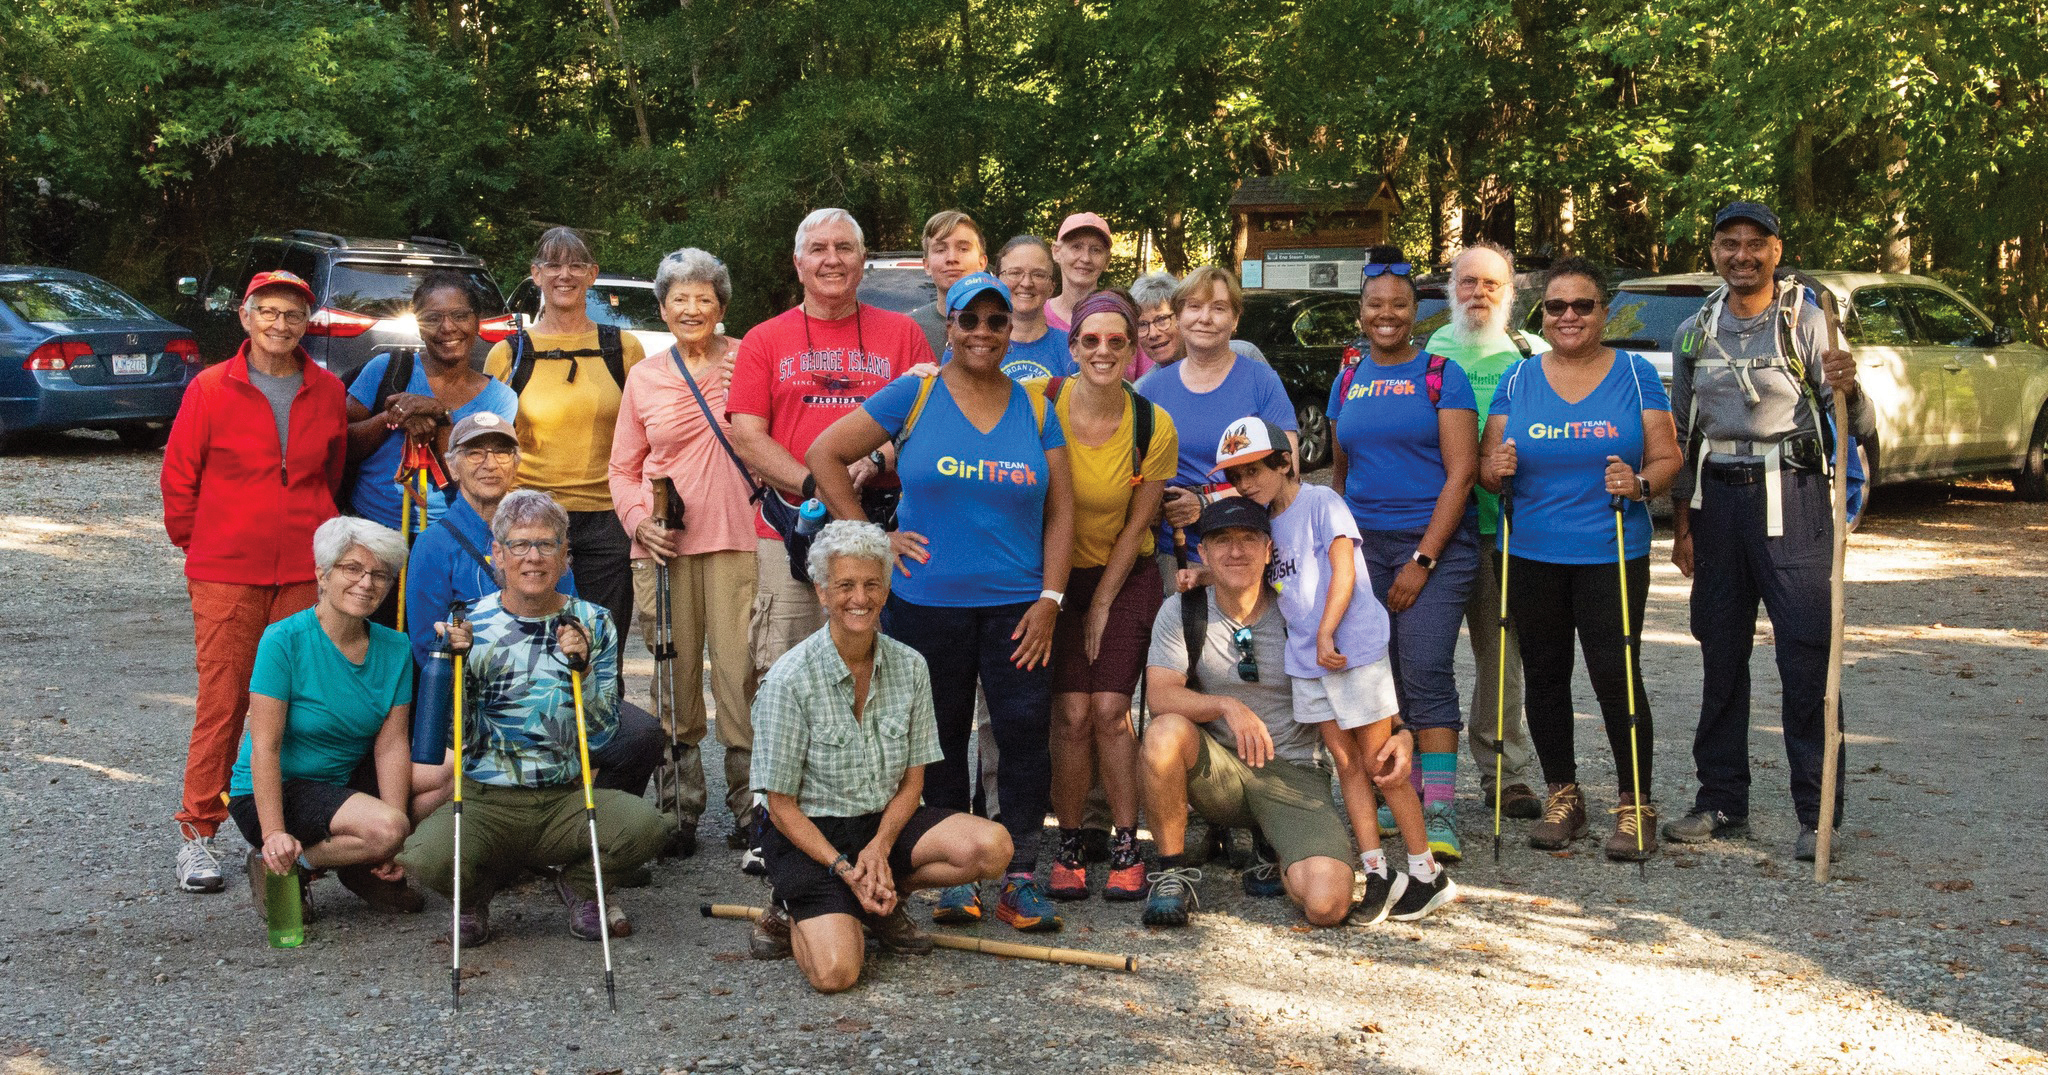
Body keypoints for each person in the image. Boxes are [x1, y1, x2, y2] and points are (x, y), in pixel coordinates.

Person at [807, 271, 1074, 932]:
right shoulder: (917, 392)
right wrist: (875, 540)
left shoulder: (1037, 406)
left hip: (1019, 608)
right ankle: (959, 876)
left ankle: (1018, 875)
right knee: (940, 736)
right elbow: (824, 454)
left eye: (996, 321)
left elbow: (1062, 512)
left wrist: (1051, 599)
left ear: (1010, 329)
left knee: (1021, 737)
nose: (982, 333)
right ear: (948, 326)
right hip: (927, 603)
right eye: (969, 321)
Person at [1663, 202, 1871, 861]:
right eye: (1730, 243)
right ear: (1715, 251)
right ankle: (1721, 799)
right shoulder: (1696, 329)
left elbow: (1853, 419)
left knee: (1805, 656)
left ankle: (1819, 814)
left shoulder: (1806, 322)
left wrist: (1852, 386)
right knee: (1720, 651)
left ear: (1777, 251)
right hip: (1717, 499)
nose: (1742, 255)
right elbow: (1682, 433)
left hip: (1794, 497)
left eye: (1756, 244)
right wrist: (1683, 527)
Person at [727, 208, 935, 862]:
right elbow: (747, 433)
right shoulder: (765, 338)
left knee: (879, 675)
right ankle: (770, 825)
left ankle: (874, 822)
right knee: (781, 674)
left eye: (845, 247)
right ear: (798, 263)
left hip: (883, 527)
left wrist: (872, 463)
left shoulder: (903, 336)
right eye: (817, 248)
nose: (832, 258)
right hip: (790, 529)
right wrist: (815, 484)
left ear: (862, 260)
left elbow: (928, 421)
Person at [745, 522, 1013, 992]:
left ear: (887, 589)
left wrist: (878, 849)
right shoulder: (788, 681)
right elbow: (781, 807)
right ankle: (795, 907)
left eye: (872, 584)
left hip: (879, 825)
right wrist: (845, 869)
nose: (860, 598)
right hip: (811, 834)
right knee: (836, 974)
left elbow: (914, 784)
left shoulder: (910, 665)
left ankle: (880, 896)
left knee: (993, 847)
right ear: (822, 592)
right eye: (845, 585)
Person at [397, 491, 673, 944]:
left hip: (566, 797)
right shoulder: (468, 626)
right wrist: (454, 674)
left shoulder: (593, 621)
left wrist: (581, 670)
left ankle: (581, 885)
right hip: (488, 799)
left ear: (566, 556)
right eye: (520, 544)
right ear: (497, 555)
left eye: (547, 545)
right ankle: (477, 894)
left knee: (649, 827)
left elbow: (603, 731)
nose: (533, 557)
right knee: (426, 856)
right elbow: (453, 736)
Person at [1479, 257, 1683, 862]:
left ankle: (1634, 803)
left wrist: (1640, 483)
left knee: (1615, 674)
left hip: (1610, 550)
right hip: (1531, 551)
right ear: (1543, 314)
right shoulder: (1517, 379)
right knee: (1544, 677)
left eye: (1583, 306)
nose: (1568, 317)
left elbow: (1668, 459)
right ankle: (1563, 795)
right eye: (1557, 307)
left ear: (1604, 311)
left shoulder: (1636, 373)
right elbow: (1489, 469)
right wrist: (1498, 471)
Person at [1216, 418, 1456, 920]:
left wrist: (1326, 630)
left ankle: (1427, 874)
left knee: (1381, 766)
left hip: (1350, 650)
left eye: (1255, 469)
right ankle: (1377, 872)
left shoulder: (1321, 502)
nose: (1246, 484)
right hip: (1307, 660)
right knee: (1346, 764)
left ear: (1284, 462)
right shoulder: (1262, 524)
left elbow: (1344, 568)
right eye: (1236, 476)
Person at [1137, 498, 1416, 929]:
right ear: (1203, 554)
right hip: (1219, 771)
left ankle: (1277, 849)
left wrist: (1400, 730)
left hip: (1295, 773)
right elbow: (1160, 695)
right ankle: (1172, 875)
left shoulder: (1301, 611)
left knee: (1328, 905)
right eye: (1221, 541)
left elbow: (1359, 680)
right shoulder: (1184, 608)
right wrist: (1228, 706)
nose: (1236, 551)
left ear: (1270, 551)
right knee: (1163, 732)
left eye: (1250, 539)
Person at [161, 269, 349, 894]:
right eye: (267, 311)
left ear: (306, 324)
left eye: (292, 314)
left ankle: (287, 832)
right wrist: (204, 543)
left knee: (295, 703)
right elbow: (179, 476)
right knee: (224, 699)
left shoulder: (324, 389)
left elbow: (333, 471)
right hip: (226, 570)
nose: (279, 324)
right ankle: (198, 832)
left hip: (303, 567)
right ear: (245, 317)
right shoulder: (212, 386)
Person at [403, 413, 663, 821]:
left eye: (502, 451)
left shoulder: (545, 529)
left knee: (640, 734)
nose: (490, 463)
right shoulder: (434, 544)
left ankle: (573, 831)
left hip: (550, 689)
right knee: (445, 776)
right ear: (452, 465)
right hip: (478, 701)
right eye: (475, 452)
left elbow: (570, 614)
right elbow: (425, 647)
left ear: (517, 462)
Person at [1327, 247, 1480, 863]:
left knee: (1424, 669)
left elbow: (1462, 472)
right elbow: (1341, 470)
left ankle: (1439, 809)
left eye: (1397, 305)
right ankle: (1402, 796)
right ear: (1361, 313)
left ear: (1416, 311)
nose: (1385, 315)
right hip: (1364, 550)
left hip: (1432, 546)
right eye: (1374, 306)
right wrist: (1334, 545)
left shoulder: (1443, 372)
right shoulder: (1348, 372)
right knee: (1375, 676)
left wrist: (1423, 558)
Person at [610, 247, 759, 858]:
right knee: (672, 678)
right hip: (665, 548)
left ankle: (753, 809)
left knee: (742, 675)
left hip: (743, 539)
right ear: (664, 310)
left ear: (721, 307)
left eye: (704, 298)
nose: (692, 309)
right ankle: (678, 809)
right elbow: (622, 467)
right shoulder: (645, 376)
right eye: (680, 299)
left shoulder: (750, 357)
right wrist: (639, 522)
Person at [1036, 292, 1177, 902]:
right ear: (1072, 347)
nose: (1102, 350)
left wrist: (1099, 604)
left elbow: (1136, 526)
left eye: (1116, 341)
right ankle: (1070, 842)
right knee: (1069, 715)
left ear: (1132, 349)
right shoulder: (1041, 401)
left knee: (1110, 712)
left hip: (1124, 574)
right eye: (1090, 340)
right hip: (1054, 577)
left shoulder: (1152, 423)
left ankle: (1126, 841)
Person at [228, 517, 421, 919]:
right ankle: (283, 862)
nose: (366, 583)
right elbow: (265, 745)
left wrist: (394, 836)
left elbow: (391, 745)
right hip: (279, 788)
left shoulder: (396, 646)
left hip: (340, 779)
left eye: (380, 574)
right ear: (321, 573)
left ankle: (362, 862)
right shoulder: (283, 640)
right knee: (386, 827)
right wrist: (274, 832)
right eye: (352, 568)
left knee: (447, 772)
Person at [1424, 242, 1548, 822]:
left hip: (1508, 528)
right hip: (1439, 526)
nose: (1478, 294)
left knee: (1502, 654)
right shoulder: (1429, 349)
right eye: (1468, 282)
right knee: (1424, 652)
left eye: (1490, 284)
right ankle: (1420, 769)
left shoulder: (1533, 352)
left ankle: (1506, 772)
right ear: (1452, 287)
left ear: (1511, 292)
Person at [484, 227, 647, 646]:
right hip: (529, 517)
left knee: (600, 644)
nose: (565, 275)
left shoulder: (622, 348)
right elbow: (490, 443)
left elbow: (646, 434)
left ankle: (601, 714)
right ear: (535, 274)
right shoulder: (509, 352)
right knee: (528, 644)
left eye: (576, 265)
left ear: (592, 274)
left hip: (607, 518)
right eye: (553, 265)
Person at [1136, 267, 1297, 561]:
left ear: (1235, 320)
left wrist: (1205, 501)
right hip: (1176, 552)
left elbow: (1288, 473)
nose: (1204, 318)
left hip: (1246, 544)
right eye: (1194, 307)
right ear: (1179, 315)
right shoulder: (1151, 389)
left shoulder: (1261, 381)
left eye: (1219, 308)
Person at [343, 272, 517, 534]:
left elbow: (478, 481)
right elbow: (343, 445)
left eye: (460, 316)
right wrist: (394, 416)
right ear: (419, 326)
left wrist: (441, 415)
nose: (447, 328)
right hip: (370, 530)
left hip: (450, 534)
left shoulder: (500, 399)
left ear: (477, 322)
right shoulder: (387, 368)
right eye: (433, 318)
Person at [1131, 269, 1266, 378]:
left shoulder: (1244, 356)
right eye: (1142, 324)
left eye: (1161, 319)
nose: (1153, 334)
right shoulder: (1144, 391)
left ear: (1180, 317)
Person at [986, 235, 1077, 380]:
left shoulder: (1073, 350)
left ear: (1052, 286)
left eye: (1039, 275)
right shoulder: (975, 344)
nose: (1027, 283)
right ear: (997, 281)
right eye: (1015, 273)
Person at [910, 211, 989, 359]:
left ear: (982, 262)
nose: (952, 258)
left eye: (963, 249)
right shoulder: (909, 329)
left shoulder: (1003, 325)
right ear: (926, 265)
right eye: (940, 250)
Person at [1043, 213, 1111, 333]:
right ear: (1056, 252)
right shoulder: (1037, 317)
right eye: (1076, 247)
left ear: (1107, 261)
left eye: (1096, 250)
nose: (1086, 258)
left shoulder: (1118, 320)